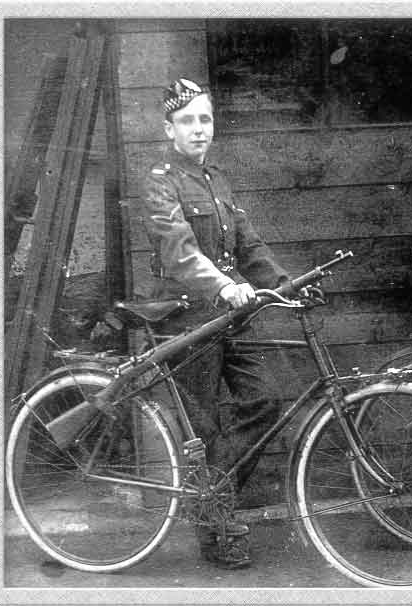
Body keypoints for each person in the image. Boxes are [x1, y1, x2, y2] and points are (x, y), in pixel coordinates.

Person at [142, 77, 289, 569]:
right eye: (187, 121)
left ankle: (212, 502)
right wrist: (224, 285)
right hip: (187, 316)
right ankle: (216, 529)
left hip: (229, 315)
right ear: (169, 129)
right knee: (202, 428)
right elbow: (180, 251)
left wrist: (289, 284)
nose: (199, 129)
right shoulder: (160, 181)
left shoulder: (218, 180)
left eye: (205, 119)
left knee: (264, 400)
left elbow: (249, 246)